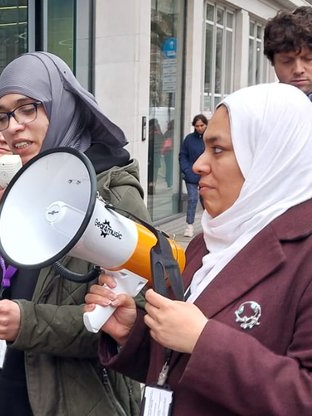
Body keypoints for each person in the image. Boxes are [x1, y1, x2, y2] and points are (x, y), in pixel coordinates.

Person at [90, 83, 312, 415]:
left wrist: (205, 341)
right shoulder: (208, 241)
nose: (198, 165)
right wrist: (131, 333)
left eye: (218, 150)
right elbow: (175, 362)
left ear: (270, 156)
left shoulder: (304, 254)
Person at [0, 52, 143, 416]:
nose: (12, 126)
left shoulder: (113, 192)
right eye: (2, 115)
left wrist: (28, 323)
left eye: (28, 109)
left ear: (62, 107)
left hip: (70, 399)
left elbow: (130, 320)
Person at [264, 6, 312, 99]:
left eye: (308, 59)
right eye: (286, 61)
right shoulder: (259, 106)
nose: (298, 70)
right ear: (273, 62)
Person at [179, 114, 207, 237]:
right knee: (192, 199)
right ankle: (189, 226)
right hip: (191, 174)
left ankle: (208, 225)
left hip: (206, 174)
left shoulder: (210, 138)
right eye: (197, 126)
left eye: (202, 125)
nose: (200, 128)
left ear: (206, 124)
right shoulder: (189, 139)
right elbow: (183, 155)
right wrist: (186, 169)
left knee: (206, 200)